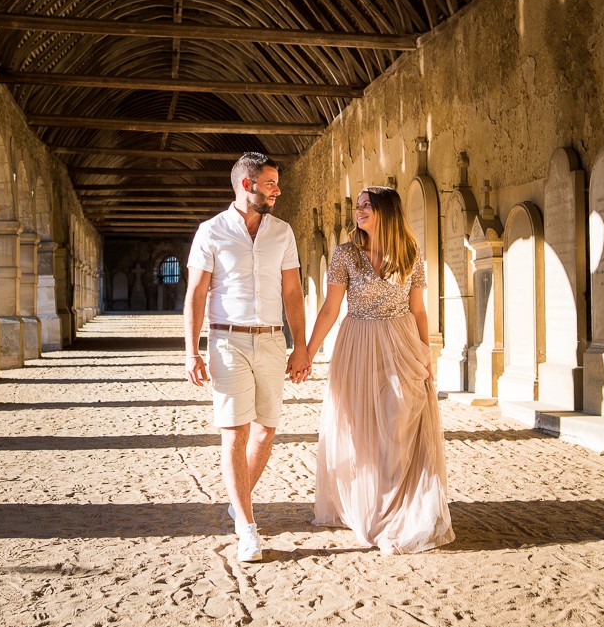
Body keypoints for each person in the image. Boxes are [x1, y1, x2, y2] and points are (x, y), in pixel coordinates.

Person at [305, 185, 454, 554]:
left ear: (386, 210)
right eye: (358, 206)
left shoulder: (411, 255)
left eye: (367, 205)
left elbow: (419, 309)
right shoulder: (345, 256)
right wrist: (306, 352)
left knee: (398, 420)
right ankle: (373, 510)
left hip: (401, 345)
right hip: (357, 347)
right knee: (363, 432)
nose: (360, 211)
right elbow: (329, 309)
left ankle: (397, 513)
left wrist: (426, 352)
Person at [184, 152, 309, 563]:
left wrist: (302, 346)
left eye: (276, 183)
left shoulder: (282, 232)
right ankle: (247, 527)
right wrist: (191, 351)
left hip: (273, 342)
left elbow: (292, 292)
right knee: (234, 434)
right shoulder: (211, 232)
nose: (277, 189)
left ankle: (238, 503)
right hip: (227, 342)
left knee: (265, 433)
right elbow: (196, 295)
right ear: (246, 185)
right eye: (270, 183)